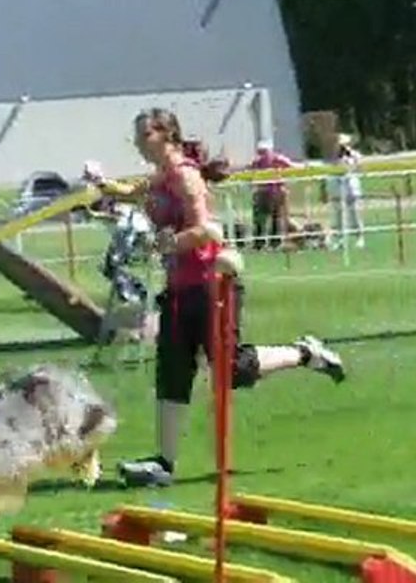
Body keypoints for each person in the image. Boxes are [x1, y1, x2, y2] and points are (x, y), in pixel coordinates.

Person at [83, 108, 346, 488]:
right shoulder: (159, 178)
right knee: (172, 371)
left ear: (167, 135)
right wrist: (103, 185)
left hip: (211, 286)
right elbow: (132, 192)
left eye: (145, 134)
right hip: (177, 289)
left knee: (230, 370)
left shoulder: (186, 177)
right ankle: (163, 463)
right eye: (136, 135)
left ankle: (305, 353)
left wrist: (172, 241)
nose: (138, 142)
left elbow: (210, 230)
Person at [249, 140, 295, 251]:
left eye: (264, 151)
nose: (263, 155)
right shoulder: (261, 161)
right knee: (267, 219)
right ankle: (266, 242)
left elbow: (292, 167)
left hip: (271, 193)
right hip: (266, 193)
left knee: (271, 218)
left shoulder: (274, 159)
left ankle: (265, 243)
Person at [327, 133, 365, 250]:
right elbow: (330, 171)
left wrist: (349, 159)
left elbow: (358, 167)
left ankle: (360, 237)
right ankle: (340, 239)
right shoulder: (333, 158)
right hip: (337, 188)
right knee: (338, 216)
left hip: (351, 188)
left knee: (355, 214)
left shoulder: (354, 156)